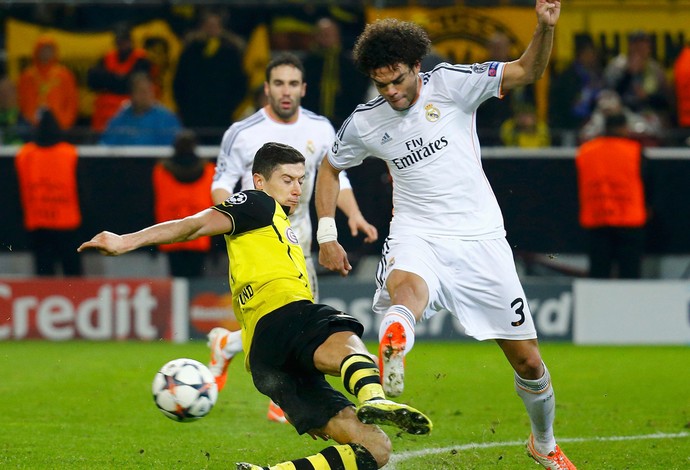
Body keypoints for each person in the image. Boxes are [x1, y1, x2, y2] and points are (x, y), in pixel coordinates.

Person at [314, 2, 576, 469]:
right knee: (407, 291)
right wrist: (327, 233)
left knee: (529, 364)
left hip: (481, 239)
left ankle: (544, 442)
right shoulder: (366, 120)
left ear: (418, 66)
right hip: (418, 231)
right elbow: (329, 168)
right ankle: (395, 337)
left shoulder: (453, 84)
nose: (391, 92)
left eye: (398, 79)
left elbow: (527, 71)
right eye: (382, 83)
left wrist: (544, 27)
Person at [78, 142, 432, 470]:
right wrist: (125, 241)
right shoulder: (256, 203)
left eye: (301, 180)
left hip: (266, 362)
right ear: (260, 181)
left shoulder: (278, 222)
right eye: (287, 179)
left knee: (375, 448)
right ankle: (374, 396)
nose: (297, 188)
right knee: (346, 341)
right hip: (284, 318)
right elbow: (194, 225)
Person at [208, 51, 378, 423]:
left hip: (298, 236)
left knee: (294, 319)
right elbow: (221, 183)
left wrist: (356, 216)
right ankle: (277, 387)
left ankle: (231, 348)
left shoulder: (320, 128)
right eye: (278, 83)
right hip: (257, 239)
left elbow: (339, 178)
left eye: (293, 84)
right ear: (267, 88)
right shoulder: (242, 132)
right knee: (295, 320)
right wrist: (233, 221)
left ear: (304, 88)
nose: (286, 91)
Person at [575, 113, 649, 279]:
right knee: (629, 275)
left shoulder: (586, 151)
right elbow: (647, 182)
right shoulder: (635, 150)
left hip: (597, 219)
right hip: (629, 220)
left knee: (599, 274)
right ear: (624, 127)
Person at [15, 108, 83, 276]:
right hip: (67, 224)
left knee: (44, 277)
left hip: (39, 225)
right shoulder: (69, 153)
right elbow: (81, 189)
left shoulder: (25, 155)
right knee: (73, 276)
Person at [173, 8, 248, 144]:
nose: (211, 29)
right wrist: (185, 110)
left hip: (222, 116)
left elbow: (240, 84)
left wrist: (229, 109)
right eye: (208, 25)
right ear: (201, 27)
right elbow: (179, 83)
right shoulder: (190, 51)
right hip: (193, 116)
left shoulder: (230, 52)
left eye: (215, 25)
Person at [152, 129, 214, 277]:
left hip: (171, 235)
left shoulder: (161, 170)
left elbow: (151, 204)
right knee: (196, 283)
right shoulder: (209, 170)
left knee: (176, 282)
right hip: (199, 235)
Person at [302, 17, 370, 129]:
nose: (325, 37)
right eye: (322, 34)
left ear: (338, 36)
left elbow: (359, 92)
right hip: (312, 122)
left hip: (346, 122)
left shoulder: (352, 65)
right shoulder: (307, 64)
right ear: (316, 36)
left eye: (329, 34)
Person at [87, 21, 153, 133]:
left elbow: (133, 84)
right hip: (104, 114)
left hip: (131, 111)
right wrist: (119, 79)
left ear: (131, 41)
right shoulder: (107, 57)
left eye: (125, 40)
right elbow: (92, 81)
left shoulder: (141, 59)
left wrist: (110, 80)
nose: (122, 44)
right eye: (119, 40)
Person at [99, 72, 181, 146]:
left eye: (149, 90)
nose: (146, 95)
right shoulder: (120, 119)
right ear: (131, 94)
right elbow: (106, 146)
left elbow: (172, 150)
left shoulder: (167, 119)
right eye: (141, 91)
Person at [17, 35, 79, 132]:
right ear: (37, 51)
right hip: (31, 127)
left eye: (50, 49)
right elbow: (22, 101)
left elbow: (72, 101)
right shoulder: (28, 76)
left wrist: (65, 123)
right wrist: (30, 121)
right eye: (43, 49)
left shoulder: (64, 75)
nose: (46, 52)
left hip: (59, 126)